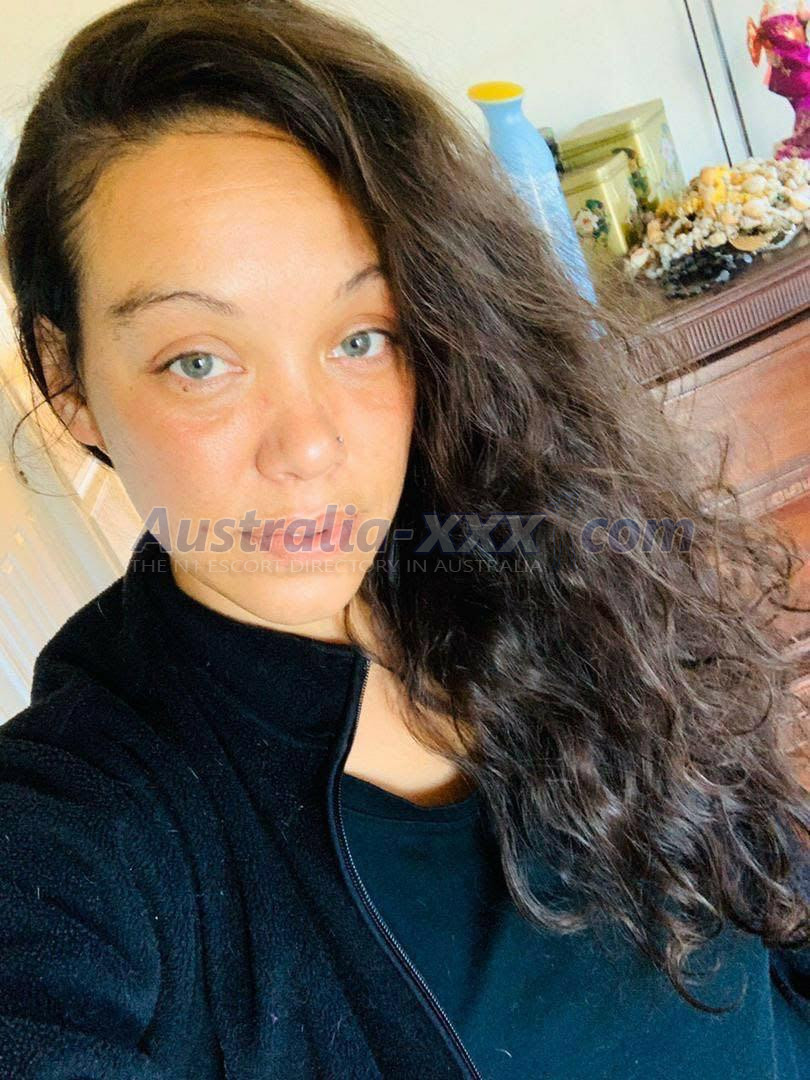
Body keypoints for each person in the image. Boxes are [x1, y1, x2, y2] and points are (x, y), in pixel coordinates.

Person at [0, 1, 808, 1077]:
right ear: (70, 382)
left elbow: (772, 895)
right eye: (199, 360)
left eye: (361, 337)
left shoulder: (541, 563)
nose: (309, 446)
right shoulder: (80, 834)